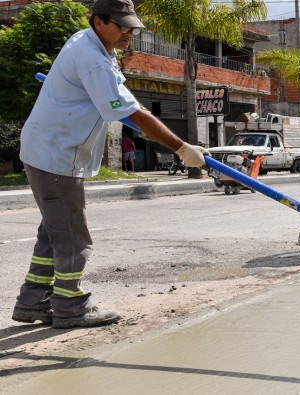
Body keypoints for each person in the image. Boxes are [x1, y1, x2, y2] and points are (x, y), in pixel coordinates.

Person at [12, 0, 210, 329]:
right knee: (74, 238)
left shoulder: (92, 44)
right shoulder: (93, 59)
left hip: (50, 150)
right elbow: (132, 113)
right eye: (121, 26)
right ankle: (70, 305)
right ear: (98, 22)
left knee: (54, 232)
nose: (129, 33)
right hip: (56, 155)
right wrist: (181, 148)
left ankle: (32, 301)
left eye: (131, 27)